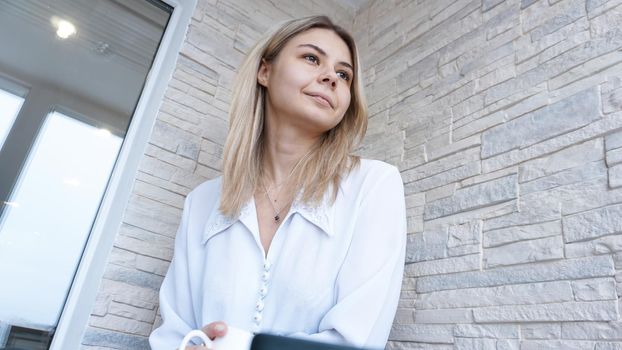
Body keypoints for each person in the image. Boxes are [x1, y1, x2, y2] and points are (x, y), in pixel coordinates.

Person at [149, 15, 406, 350]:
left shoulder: (374, 185)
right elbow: (173, 334)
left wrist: (233, 346)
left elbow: (356, 341)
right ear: (265, 72)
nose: (331, 77)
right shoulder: (200, 202)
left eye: (344, 74)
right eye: (312, 58)